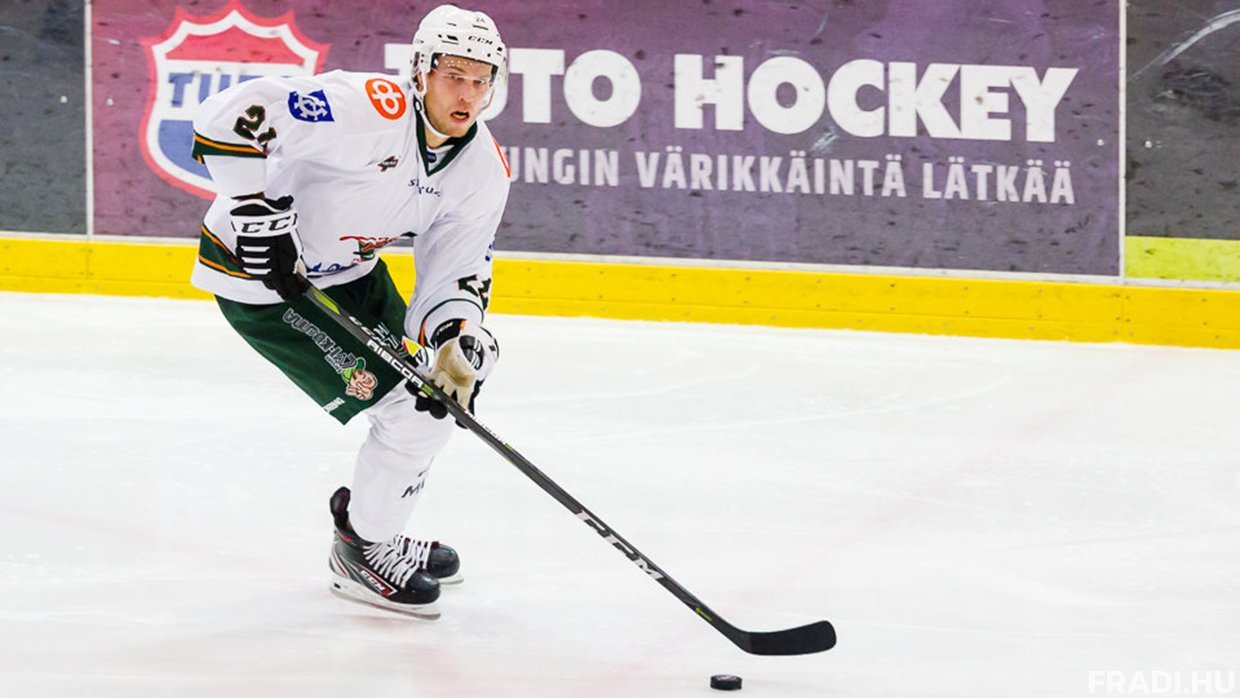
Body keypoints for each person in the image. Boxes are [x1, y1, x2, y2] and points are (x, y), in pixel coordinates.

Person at [188, 4, 510, 619]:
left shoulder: (483, 170)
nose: (467, 93)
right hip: (265, 281)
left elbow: (455, 272)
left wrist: (454, 339)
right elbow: (232, 115)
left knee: (435, 401)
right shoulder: (369, 110)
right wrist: (255, 209)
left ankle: (375, 529)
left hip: (352, 274)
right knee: (411, 411)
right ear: (421, 70)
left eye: (480, 79)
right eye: (453, 75)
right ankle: (362, 551)